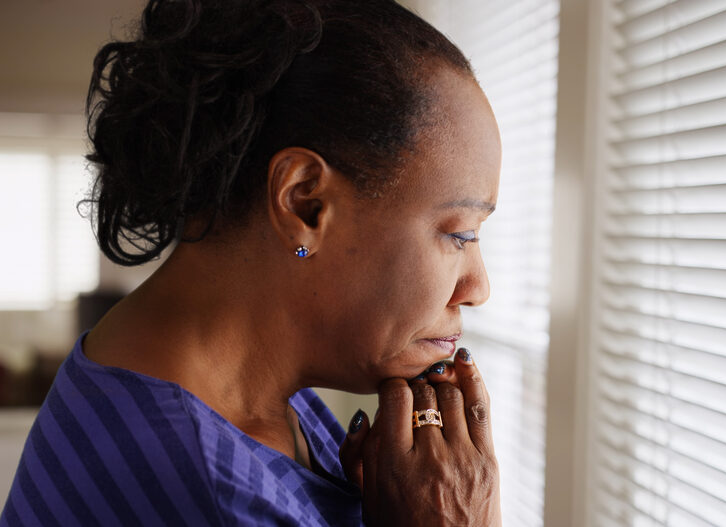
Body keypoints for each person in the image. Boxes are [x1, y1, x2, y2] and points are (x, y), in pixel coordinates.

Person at [1, 0, 502, 524]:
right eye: (460, 234)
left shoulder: (201, 376)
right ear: (305, 204)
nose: (478, 287)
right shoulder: (215, 495)